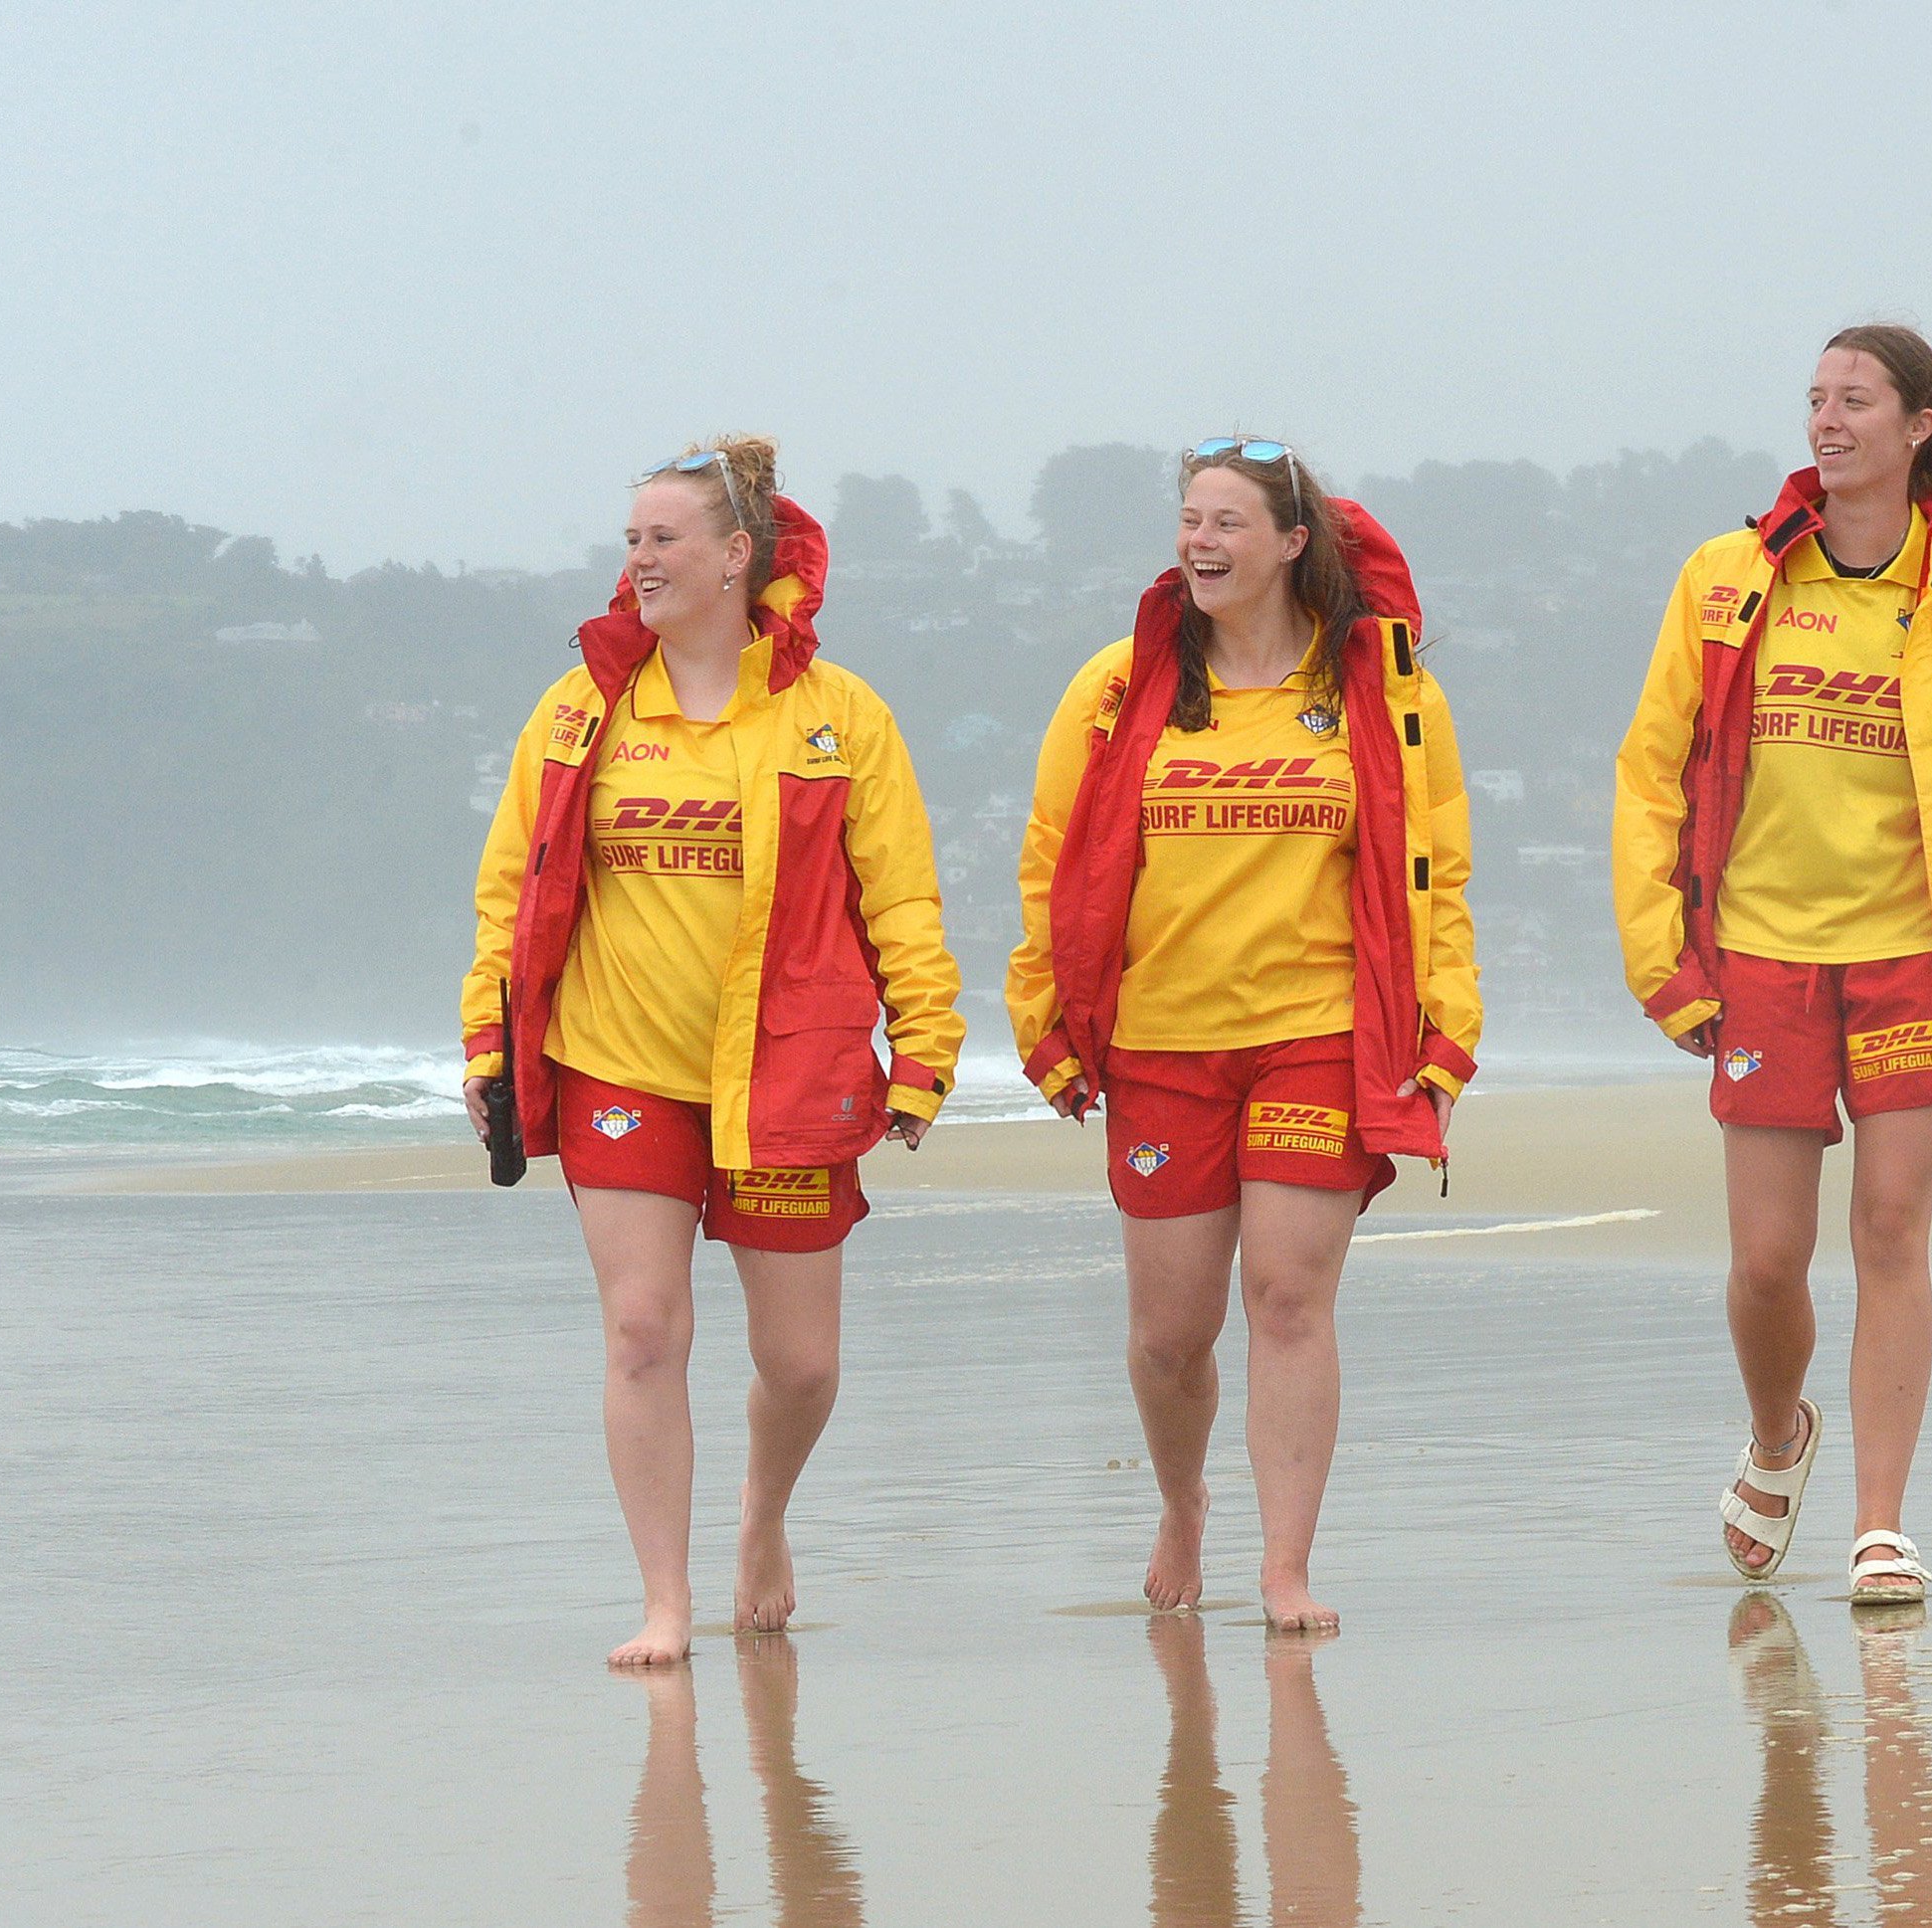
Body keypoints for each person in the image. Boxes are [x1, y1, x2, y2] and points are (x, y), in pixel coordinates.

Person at [463, 436, 964, 1669]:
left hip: (786, 1076)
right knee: (643, 1332)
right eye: (629, 539)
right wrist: (492, 1042)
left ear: (737, 556)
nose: (636, 560)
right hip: (619, 1068)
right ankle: (663, 1603)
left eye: (662, 538)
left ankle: (762, 1519)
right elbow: (509, 893)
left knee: (799, 1367)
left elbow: (901, 899)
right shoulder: (581, 709)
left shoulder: (836, 717)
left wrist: (924, 1050)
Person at [1613, 325, 1932, 1606]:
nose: (1825, 421)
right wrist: (1658, 956)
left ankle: (1880, 1523)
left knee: (1890, 1229)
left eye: (1854, 400)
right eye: (1814, 400)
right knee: (1766, 1263)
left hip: (1912, 962)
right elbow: (1649, 770)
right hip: (1760, 956)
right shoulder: (1728, 576)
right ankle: (1779, 1437)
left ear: (1918, 425)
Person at [1010, 438, 1478, 1636]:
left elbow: (1438, 873)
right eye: (1187, 520)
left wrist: (1443, 1030)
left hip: (1314, 1033)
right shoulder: (1116, 687)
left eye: (1226, 521)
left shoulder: (1379, 693)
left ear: (1289, 543)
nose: (1199, 542)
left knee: (1285, 1297)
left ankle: (1284, 1568)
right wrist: (1043, 1020)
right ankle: (1181, 1502)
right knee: (1171, 1339)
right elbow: (1049, 863)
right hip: (1161, 1041)